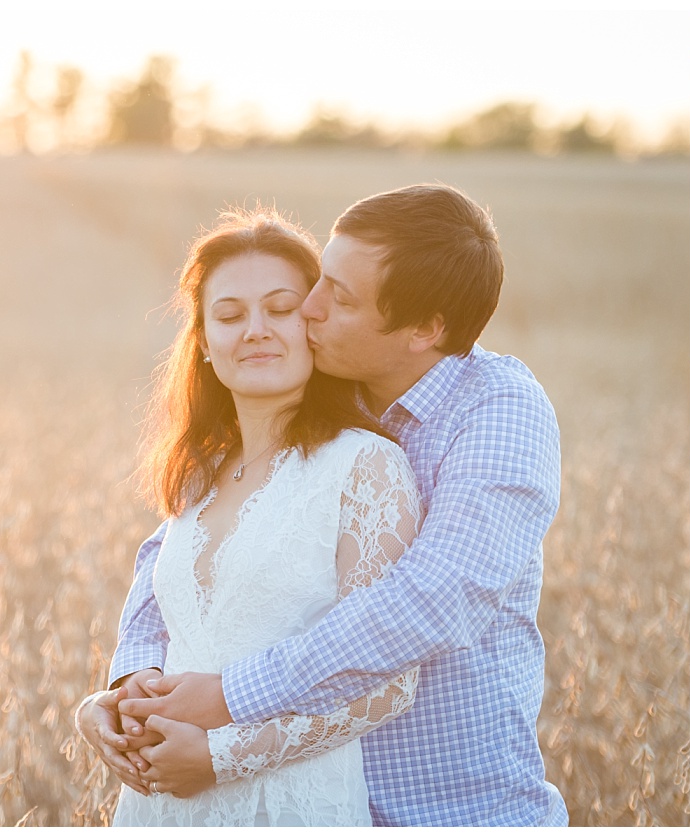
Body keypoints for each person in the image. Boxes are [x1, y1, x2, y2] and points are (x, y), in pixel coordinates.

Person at [77, 184, 567, 826]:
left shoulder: (498, 414)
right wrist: (127, 688)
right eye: (321, 279)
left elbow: (430, 602)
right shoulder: (320, 392)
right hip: (288, 787)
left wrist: (224, 701)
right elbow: (173, 550)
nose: (307, 309)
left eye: (336, 296)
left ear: (425, 330)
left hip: (448, 808)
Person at [86, 208, 424, 825]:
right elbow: (167, 632)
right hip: (160, 806)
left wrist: (220, 757)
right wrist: (108, 705)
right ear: (206, 345)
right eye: (231, 315)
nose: (256, 330)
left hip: (289, 802)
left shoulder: (365, 467)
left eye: (281, 308)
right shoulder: (196, 474)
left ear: (315, 324)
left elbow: (386, 684)